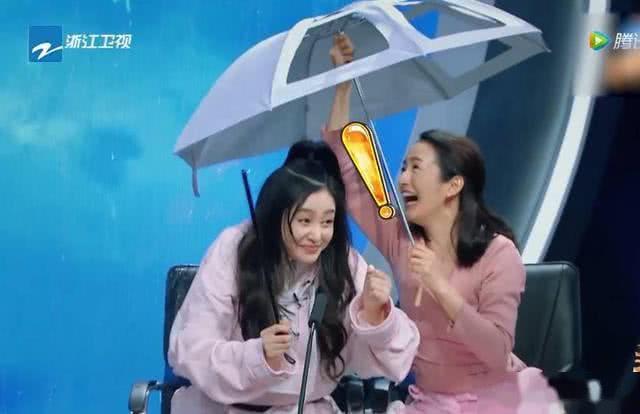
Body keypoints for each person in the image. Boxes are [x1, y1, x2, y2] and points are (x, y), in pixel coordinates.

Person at [323, 33, 563, 413]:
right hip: (430, 403)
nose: (403, 179)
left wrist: (438, 284)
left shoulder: (498, 254)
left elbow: (497, 351)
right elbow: (351, 176)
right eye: (403, 168)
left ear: (453, 185)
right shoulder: (403, 241)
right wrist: (342, 84)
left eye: (416, 168)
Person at [168, 146, 420, 414]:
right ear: (275, 214)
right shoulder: (233, 249)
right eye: (304, 220)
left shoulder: (342, 262)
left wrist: (375, 316)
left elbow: (398, 358)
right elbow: (191, 350)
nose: (317, 235)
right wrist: (257, 356)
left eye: (327, 222)